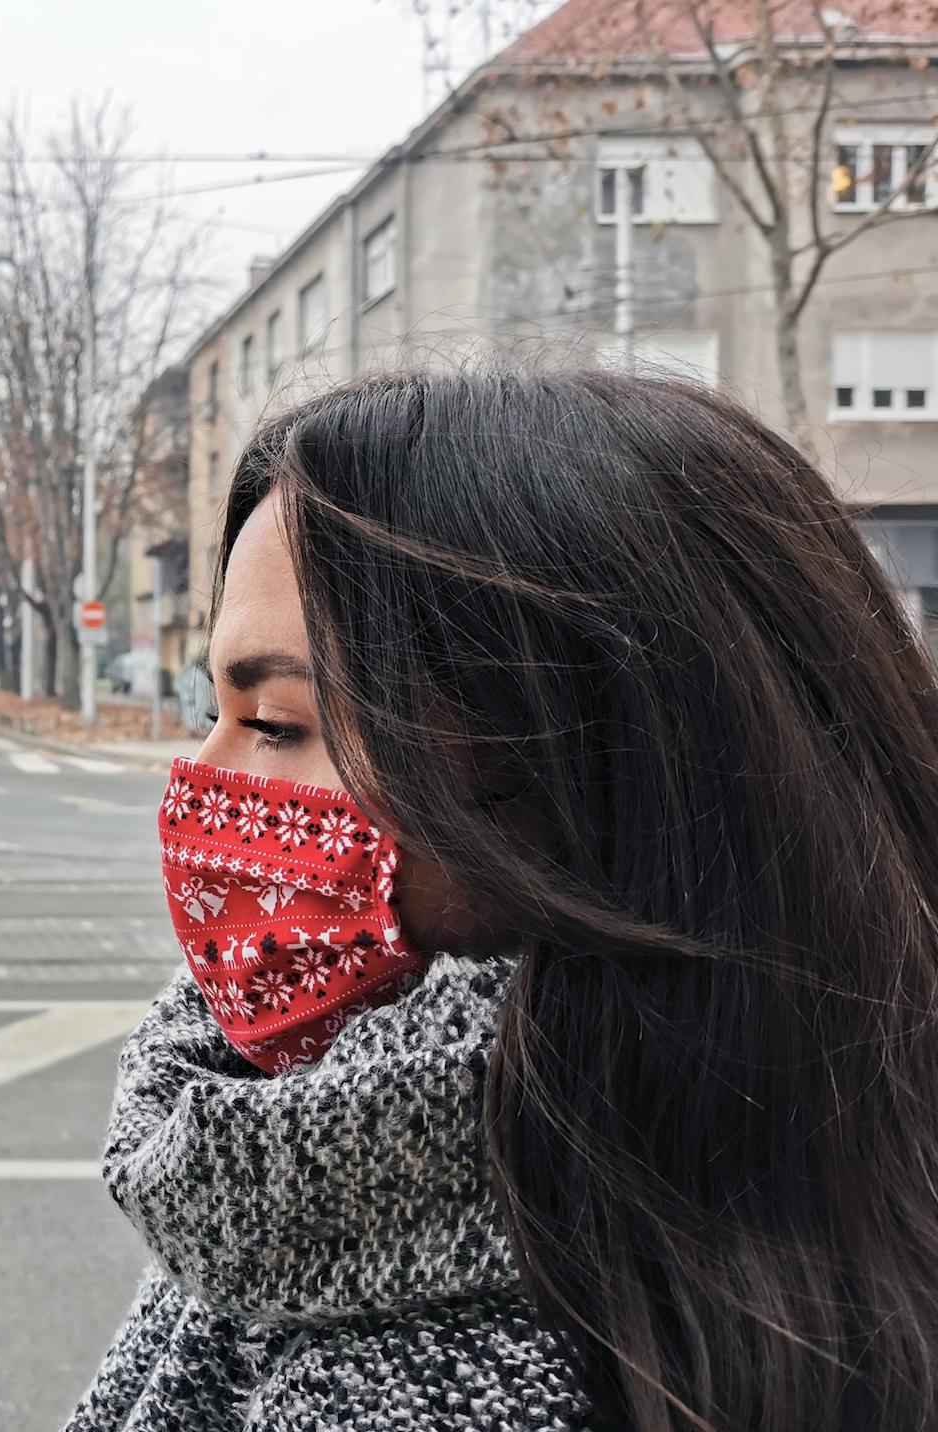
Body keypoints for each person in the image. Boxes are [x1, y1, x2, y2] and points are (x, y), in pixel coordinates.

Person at [66, 370, 938, 1432]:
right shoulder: (295, 1178)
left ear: (590, 766)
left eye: (279, 721)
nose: (200, 782)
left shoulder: (415, 1354)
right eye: (217, 711)